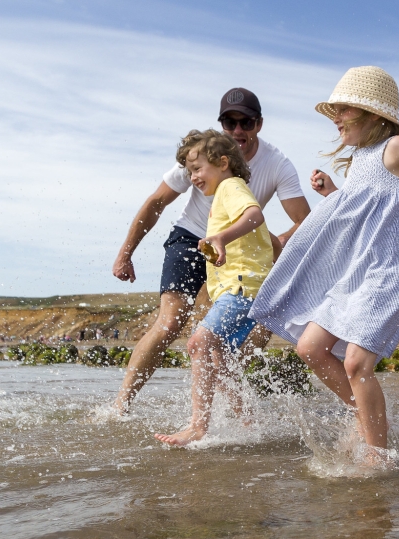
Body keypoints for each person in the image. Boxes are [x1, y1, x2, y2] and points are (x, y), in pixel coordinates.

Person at [247, 66, 399, 453]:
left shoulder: (397, 147)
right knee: (310, 348)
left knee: (356, 363)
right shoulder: (359, 161)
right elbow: (361, 210)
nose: (336, 119)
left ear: (373, 114)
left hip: (391, 268)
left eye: (344, 110)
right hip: (355, 272)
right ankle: (367, 417)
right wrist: (333, 192)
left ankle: (378, 457)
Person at [111, 88, 311, 414]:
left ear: (258, 124)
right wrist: (125, 254)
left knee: (251, 328)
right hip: (192, 236)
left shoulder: (276, 164)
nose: (237, 131)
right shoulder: (202, 155)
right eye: (229, 122)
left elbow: (304, 220)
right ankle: (120, 407)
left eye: (245, 122)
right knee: (171, 321)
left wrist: (273, 241)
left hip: (238, 248)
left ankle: (235, 414)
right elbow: (156, 202)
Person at [153, 130, 280, 446]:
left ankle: (198, 427)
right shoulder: (227, 193)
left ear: (223, 162)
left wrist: (221, 238)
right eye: (189, 170)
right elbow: (270, 239)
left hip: (242, 290)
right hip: (243, 290)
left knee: (199, 342)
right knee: (219, 357)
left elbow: (255, 215)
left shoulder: (230, 187)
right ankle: (250, 425)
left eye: (197, 168)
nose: (192, 176)